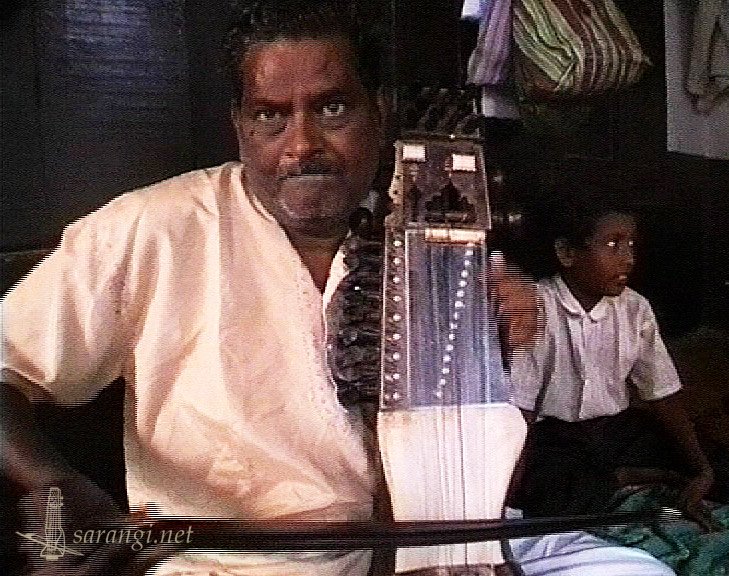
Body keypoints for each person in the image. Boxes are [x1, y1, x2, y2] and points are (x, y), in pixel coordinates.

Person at [1, 1, 675, 574]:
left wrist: (494, 354)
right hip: (234, 565)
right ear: (239, 125)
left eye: (331, 108)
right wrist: (54, 482)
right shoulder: (152, 229)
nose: (302, 144)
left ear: (378, 112)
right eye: (270, 116)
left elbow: (481, 467)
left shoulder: (433, 232)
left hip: (433, 543)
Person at [509, 197, 715, 525]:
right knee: (554, 498)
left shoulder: (636, 308)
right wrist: (508, 492)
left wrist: (702, 470)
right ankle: (625, 477)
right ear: (567, 253)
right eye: (612, 245)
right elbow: (522, 411)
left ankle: (625, 475)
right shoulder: (534, 307)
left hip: (618, 430)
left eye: (631, 245)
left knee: (725, 469)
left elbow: (662, 393)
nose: (628, 259)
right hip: (556, 438)